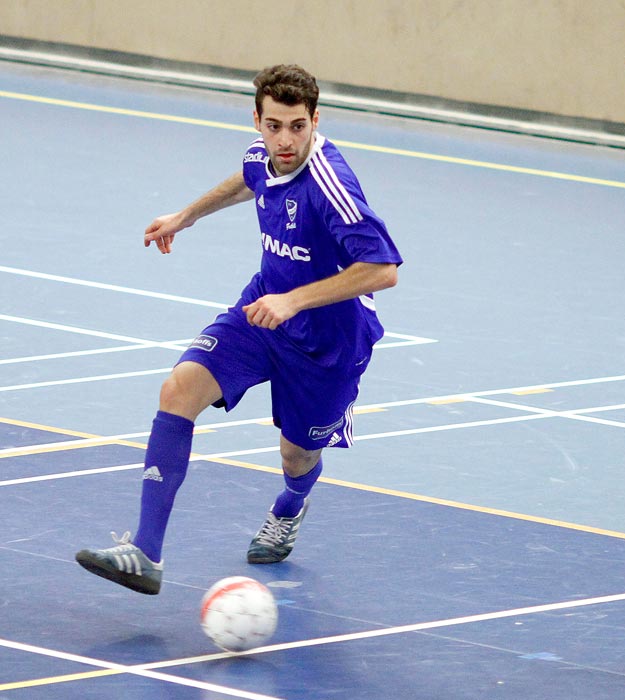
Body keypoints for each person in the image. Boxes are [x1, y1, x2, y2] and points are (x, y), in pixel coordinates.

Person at [76, 64, 402, 595]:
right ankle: (145, 552)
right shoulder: (264, 153)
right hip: (261, 315)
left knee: (297, 457)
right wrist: (187, 215)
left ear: (316, 120)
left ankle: (291, 505)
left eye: (298, 126)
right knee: (179, 387)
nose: (286, 140)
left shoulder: (329, 184)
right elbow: (249, 178)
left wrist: (294, 300)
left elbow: (382, 270)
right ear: (257, 120)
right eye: (273, 126)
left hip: (328, 343)